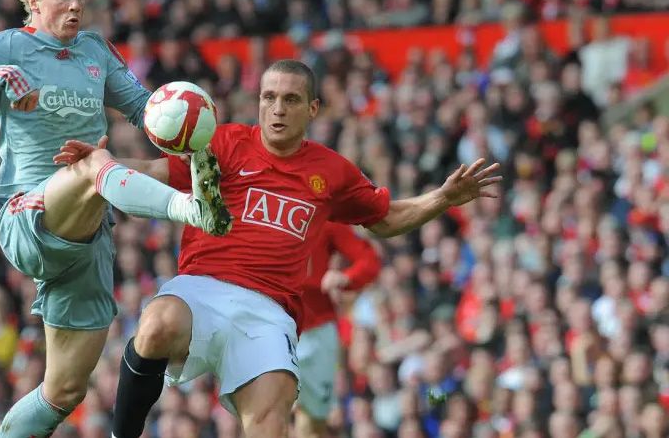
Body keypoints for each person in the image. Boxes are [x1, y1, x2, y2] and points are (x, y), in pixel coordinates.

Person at [58, 59, 501, 437]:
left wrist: (441, 198)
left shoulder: (331, 171)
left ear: (312, 109)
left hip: (270, 311)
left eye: (290, 100)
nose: (277, 109)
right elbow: (156, 171)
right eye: (269, 97)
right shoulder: (225, 142)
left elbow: (385, 219)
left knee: (273, 424)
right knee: (155, 324)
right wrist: (98, 164)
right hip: (202, 287)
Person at [0, 0, 231, 438]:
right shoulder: (9, 45)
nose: (74, 6)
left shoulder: (94, 51)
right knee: (94, 162)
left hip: (88, 235)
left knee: (65, 391)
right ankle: (191, 210)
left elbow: (142, 111)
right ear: (33, 0)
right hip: (29, 212)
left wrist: (188, 123)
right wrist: (0, 73)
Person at [296, 222, 383, 438]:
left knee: (316, 421)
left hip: (316, 330)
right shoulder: (257, 209)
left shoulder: (324, 219)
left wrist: (347, 277)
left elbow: (369, 260)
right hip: (272, 328)